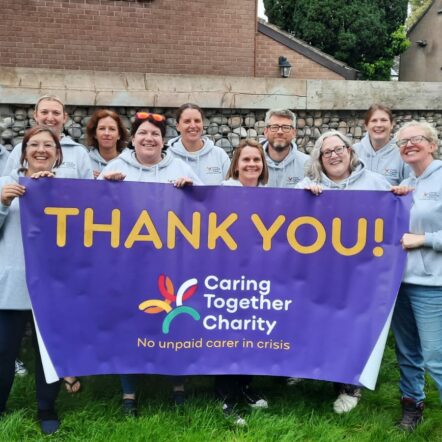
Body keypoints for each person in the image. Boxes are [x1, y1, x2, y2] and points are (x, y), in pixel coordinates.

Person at [99, 112, 202, 415]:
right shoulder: (116, 166)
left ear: (163, 140)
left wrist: (191, 189)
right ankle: (129, 391)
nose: (149, 139)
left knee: (174, 321)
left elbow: (207, 210)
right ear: (132, 138)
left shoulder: (182, 167)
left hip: (172, 262)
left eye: (155, 134)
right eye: (143, 133)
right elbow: (94, 210)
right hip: (127, 263)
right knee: (128, 322)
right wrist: (104, 187)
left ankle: (177, 385)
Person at [296, 130, 390, 414]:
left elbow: (394, 213)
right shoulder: (307, 184)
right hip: (319, 272)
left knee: (350, 328)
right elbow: (283, 214)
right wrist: (303, 197)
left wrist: (398, 195)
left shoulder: (375, 182)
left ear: (350, 151)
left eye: (340, 149)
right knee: (320, 325)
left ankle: (349, 387)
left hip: (360, 272)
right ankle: (310, 369)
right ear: (319, 160)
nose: (334, 155)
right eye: (327, 152)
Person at [0, 125, 63, 434]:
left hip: (52, 290)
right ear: (23, 152)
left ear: (57, 154)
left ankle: (46, 407)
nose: (41, 150)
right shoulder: (3, 185)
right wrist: (1, 204)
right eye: (34, 144)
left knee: (48, 354)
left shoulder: (68, 190)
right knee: (3, 350)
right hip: (10, 286)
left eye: (48, 145)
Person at [389, 121, 442, 431]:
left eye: (415, 139)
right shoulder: (408, 183)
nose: (408, 145)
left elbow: (419, 235)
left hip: (433, 285)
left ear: (432, 145)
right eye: (402, 142)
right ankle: (412, 405)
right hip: (401, 282)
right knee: (407, 352)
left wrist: (423, 240)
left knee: (436, 357)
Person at [216, 139, 269, 426]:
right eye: (246, 160)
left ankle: (244, 386)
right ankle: (225, 395)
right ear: (235, 165)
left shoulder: (271, 196)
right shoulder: (222, 192)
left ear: (263, 166)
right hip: (226, 276)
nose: (251, 165)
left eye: (256, 160)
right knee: (227, 333)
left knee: (250, 333)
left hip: (257, 275)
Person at [2, 95, 93, 180]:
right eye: (44, 112)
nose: (50, 118)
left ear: (64, 117)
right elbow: (7, 184)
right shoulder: (21, 149)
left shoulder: (79, 152)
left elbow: (89, 190)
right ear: (35, 116)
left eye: (56, 113)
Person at [167, 103, 230, 184]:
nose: (193, 125)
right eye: (187, 121)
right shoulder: (167, 156)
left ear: (202, 124)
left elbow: (231, 190)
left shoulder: (219, 155)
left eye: (197, 121)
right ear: (178, 126)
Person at [353, 104, 409, 185]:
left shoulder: (402, 153)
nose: (379, 125)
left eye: (383, 120)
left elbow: (410, 186)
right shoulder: (354, 152)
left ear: (392, 124)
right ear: (366, 126)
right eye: (374, 120)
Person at [262, 109, 309, 188]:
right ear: (266, 132)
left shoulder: (307, 164)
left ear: (294, 133)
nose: (280, 132)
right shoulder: (251, 163)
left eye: (286, 127)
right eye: (275, 127)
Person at [85, 109, 129, 178]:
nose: (107, 133)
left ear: (119, 135)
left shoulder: (128, 162)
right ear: (95, 134)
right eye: (102, 128)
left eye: (112, 129)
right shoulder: (85, 161)